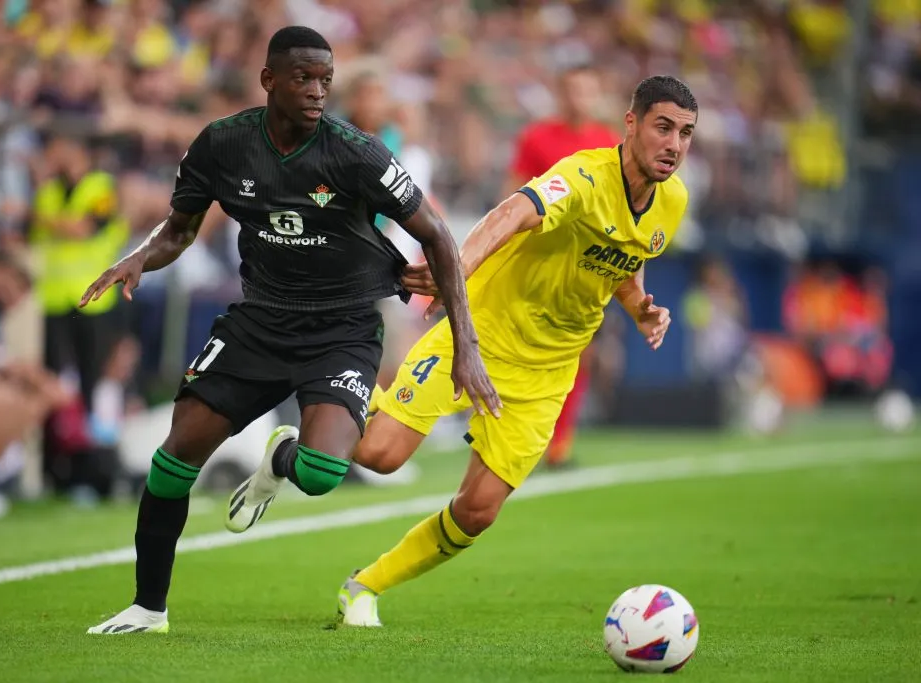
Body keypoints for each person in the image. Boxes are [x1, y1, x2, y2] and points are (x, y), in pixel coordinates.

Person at [80, 26, 499, 635]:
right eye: (303, 78)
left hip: (344, 327)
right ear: (269, 80)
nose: (317, 91)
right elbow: (179, 228)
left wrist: (467, 348)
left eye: (326, 80)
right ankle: (149, 608)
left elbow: (436, 234)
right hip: (261, 320)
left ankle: (282, 457)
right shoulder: (222, 145)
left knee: (322, 473)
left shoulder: (355, 152)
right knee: (174, 459)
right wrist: (139, 256)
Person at [334, 75, 698, 627]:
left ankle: (363, 586)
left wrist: (641, 305)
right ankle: (310, 420)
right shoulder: (582, 175)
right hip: (482, 331)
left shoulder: (672, 202)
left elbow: (626, 258)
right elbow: (510, 214)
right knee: (379, 456)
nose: (674, 144)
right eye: (663, 127)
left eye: (686, 133)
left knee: (477, 512)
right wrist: (454, 269)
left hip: (549, 369)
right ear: (631, 124)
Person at [504, 62, 619, 469]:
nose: (578, 98)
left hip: (582, 268)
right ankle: (508, 433)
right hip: (535, 261)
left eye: (586, 90)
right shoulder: (536, 138)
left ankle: (559, 443)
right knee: (516, 348)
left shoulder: (608, 143)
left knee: (578, 354)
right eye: (571, 90)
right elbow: (512, 194)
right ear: (559, 92)